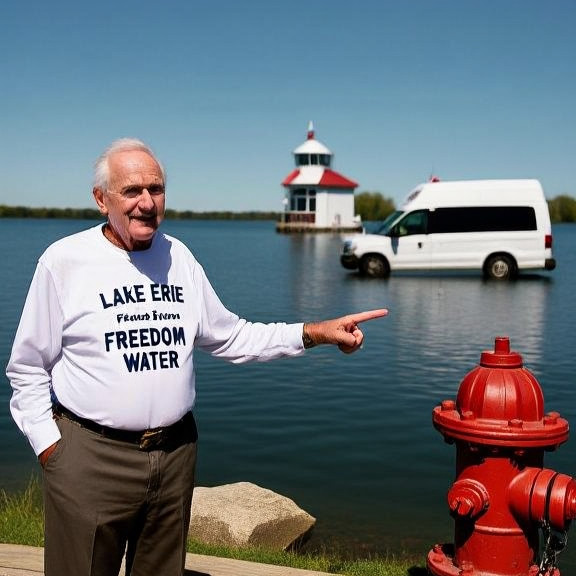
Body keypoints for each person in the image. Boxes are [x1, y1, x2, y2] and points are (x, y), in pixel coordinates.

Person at [6, 138, 388, 576]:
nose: (146, 202)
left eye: (157, 188)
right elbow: (28, 367)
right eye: (132, 191)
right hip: (90, 458)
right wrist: (50, 447)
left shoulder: (179, 258)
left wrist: (315, 332)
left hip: (174, 455)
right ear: (101, 199)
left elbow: (230, 336)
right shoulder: (64, 262)